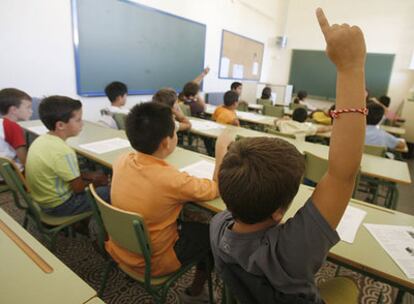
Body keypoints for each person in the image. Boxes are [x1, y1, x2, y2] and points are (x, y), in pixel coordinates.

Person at [210, 8, 366, 302]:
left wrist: (221, 154)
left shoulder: (218, 225)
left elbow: (341, 175)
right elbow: (342, 174)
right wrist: (351, 69)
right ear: (279, 212)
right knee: (346, 284)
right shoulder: (291, 252)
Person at [105, 102, 232, 302]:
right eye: (175, 133)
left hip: (121, 247)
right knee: (212, 233)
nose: (177, 136)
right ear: (166, 143)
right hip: (154, 260)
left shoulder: (122, 160)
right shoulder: (171, 180)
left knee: (188, 214)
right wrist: (220, 151)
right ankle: (197, 291)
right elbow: (216, 188)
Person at [25, 96, 109, 216]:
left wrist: (87, 175)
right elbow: (79, 189)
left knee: (90, 174)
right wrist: (97, 183)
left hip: (42, 201)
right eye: (78, 120)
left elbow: (61, 172)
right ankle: (100, 228)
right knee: (108, 192)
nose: (82, 123)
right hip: (60, 206)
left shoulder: (41, 140)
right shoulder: (64, 152)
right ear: (60, 125)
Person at [0, 88, 33, 170]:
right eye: (28, 107)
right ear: (13, 110)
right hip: (11, 175)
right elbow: (23, 159)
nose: (31, 111)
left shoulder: (2, 124)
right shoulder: (13, 127)